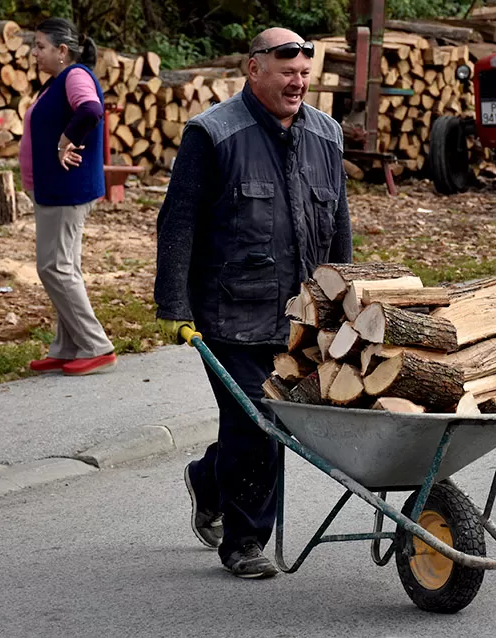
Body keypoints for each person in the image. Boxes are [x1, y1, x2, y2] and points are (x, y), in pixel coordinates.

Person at [154, 27, 352, 579]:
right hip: (229, 311)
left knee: (271, 422)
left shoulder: (326, 135)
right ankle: (245, 542)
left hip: (300, 313)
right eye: (286, 71)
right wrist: (173, 304)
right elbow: (179, 221)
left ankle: (208, 479)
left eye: (304, 73)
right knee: (257, 419)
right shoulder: (212, 134)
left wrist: (347, 296)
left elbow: (338, 224)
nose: (298, 82)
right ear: (253, 68)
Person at [23, 18, 117, 376]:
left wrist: (65, 140)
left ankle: (95, 345)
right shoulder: (58, 81)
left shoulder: (75, 75)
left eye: (40, 46)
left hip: (66, 189)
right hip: (55, 189)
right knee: (64, 267)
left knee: (55, 268)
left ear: (62, 50)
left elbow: (91, 110)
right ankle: (68, 346)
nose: (34, 53)